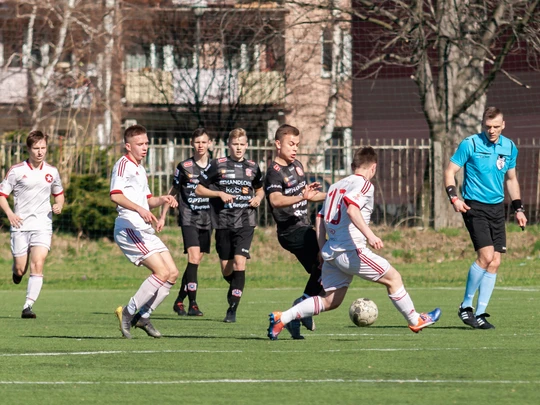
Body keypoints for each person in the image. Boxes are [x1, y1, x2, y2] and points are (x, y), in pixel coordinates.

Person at [267, 146, 441, 340]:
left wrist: (321, 248)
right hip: (351, 250)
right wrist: (371, 236)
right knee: (394, 278)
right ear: (373, 167)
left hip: (331, 251)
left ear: (353, 165)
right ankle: (415, 320)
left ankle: (282, 317)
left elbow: (320, 217)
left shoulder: (335, 187)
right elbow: (352, 210)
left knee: (330, 301)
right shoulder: (365, 185)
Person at [444, 106, 527, 330]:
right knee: (486, 255)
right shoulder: (470, 143)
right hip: (474, 206)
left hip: (497, 208)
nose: (491, 131)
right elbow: (450, 171)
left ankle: (480, 313)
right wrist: (454, 199)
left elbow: (511, 179)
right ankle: (465, 306)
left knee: (496, 261)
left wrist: (519, 209)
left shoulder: (509, 147)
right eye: (488, 126)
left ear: (503, 125)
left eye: (496, 127)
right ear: (483, 125)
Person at [111, 124, 180, 339]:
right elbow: (116, 195)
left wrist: (164, 199)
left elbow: (148, 200)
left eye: (146, 143)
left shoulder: (140, 168)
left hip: (144, 229)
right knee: (160, 272)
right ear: (128, 146)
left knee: (172, 274)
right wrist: (140, 209)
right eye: (140, 144)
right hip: (129, 227)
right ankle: (128, 312)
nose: (145, 147)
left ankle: (144, 315)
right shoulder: (122, 165)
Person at [195, 128, 264, 323]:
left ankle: (232, 308)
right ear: (229, 145)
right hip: (223, 222)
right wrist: (219, 194)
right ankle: (235, 287)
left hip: (246, 222)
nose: (239, 148)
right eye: (235, 144)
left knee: (240, 262)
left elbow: (260, 189)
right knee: (227, 268)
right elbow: (199, 189)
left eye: (242, 144)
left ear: (247, 145)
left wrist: (258, 198)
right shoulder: (218, 165)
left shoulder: (253, 167)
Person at [264, 124, 326, 339]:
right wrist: (302, 197)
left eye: (297, 145)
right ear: (278, 144)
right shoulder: (273, 173)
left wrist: (333, 193)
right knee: (326, 259)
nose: (295, 148)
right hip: (291, 231)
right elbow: (275, 200)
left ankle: (298, 314)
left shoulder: (297, 166)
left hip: (304, 227)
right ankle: (301, 307)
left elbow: (309, 195)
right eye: (291, 144)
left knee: (325, 276)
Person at [0, 130, 64, 319]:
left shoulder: (52, 172)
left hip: (43, 225)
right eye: (36, 148)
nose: (40, 152)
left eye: (43, 148)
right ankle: (17, 272)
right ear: (28, 149)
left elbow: (58, 193)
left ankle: (28, 306)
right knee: (21, 268)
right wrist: (10, 214)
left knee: (38, 263)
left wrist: (59, 205)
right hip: (20, 225)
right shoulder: (17, 171)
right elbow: (2, 195)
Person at [158, 128, 212, 317]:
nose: (200, 146)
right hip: (188, 217)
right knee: (193, 258)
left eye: (204, 142)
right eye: (197, 142)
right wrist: (163, 216)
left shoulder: (214, 167)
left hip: (207, 219)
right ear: (192, 144)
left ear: (209, 143)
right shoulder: (184, 166)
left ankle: (180, 300)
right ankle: (193, 304)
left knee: (195, 263)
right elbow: (173, 191)